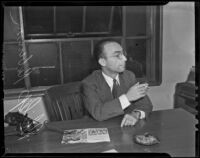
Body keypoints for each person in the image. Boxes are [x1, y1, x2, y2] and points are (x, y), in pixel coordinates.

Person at [81, 38, 153, 127]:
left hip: (123, 130)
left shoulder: (129, 76)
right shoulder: (89, 83)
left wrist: (135, 114)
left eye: (123, 54)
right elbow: (98, 113)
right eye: (117, 55)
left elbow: (146, 104)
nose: (125, 59)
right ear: (103, 62)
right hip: (99, 129)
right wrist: (127, 98)